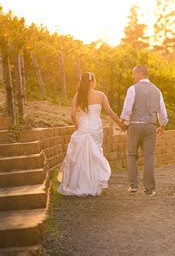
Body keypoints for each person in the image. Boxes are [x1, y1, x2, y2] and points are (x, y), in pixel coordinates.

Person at [57, 72, 127, 196]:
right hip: (95, 127)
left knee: (81, 156)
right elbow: (110, 112)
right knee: (95, 154)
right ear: (92, 81)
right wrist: (121, 125)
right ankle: (93, 184)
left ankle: (79, 185)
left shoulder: (78, 95)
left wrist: (78, 127)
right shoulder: (100, 95)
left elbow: (73, 115)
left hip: (83, 126)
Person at [121, 65, 168, 197]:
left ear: (140, 73)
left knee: (131, 155)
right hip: (150, 126)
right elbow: (162, 113)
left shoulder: (132, 89)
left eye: (134, 74)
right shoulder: (157, 91)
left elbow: (127, 109)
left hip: (135, 126)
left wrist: (124, 121)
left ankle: (133, 185)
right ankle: (149, 189)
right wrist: (162, 125)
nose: (133, 77)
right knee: (149, 157)